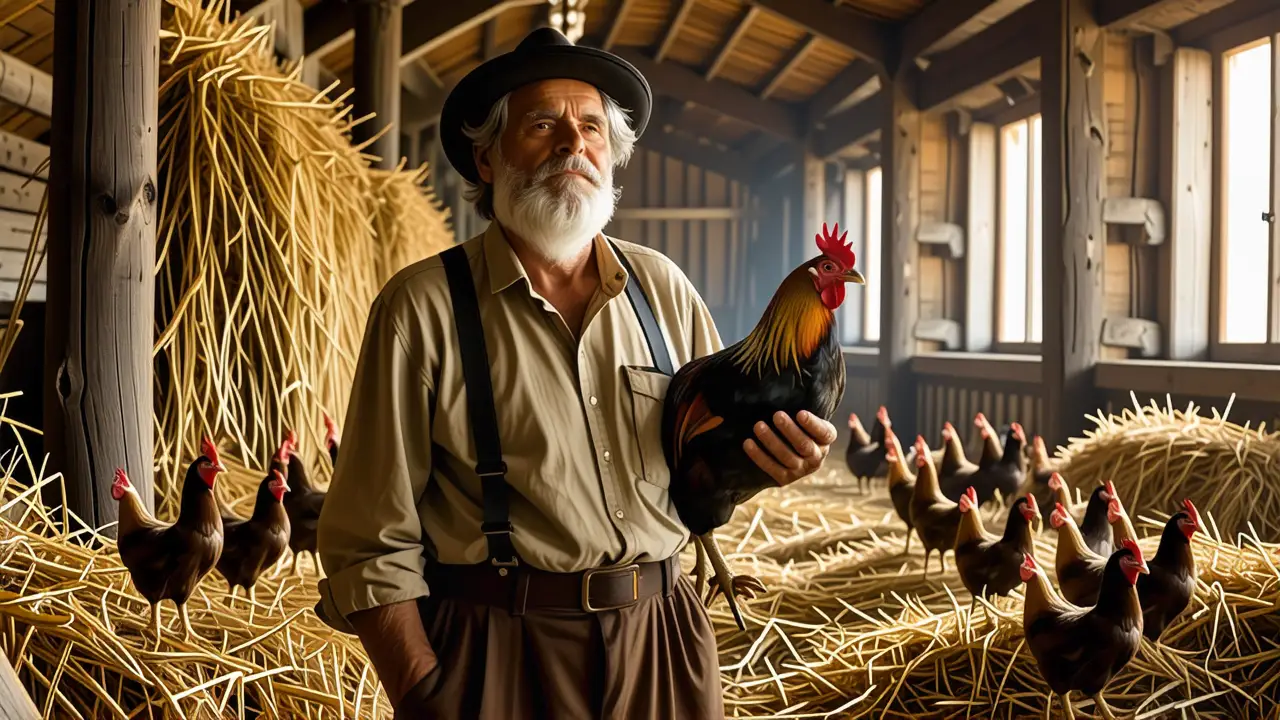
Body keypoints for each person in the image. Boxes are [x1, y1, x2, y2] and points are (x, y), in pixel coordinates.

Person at [315, 27, 838, 720]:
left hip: (663, 638)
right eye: (541, 125)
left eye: (591, 126)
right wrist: (424, 691)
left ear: (612, 157)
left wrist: (771, 464)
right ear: (486, 158)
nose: (572, 144)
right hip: (499, 645)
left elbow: (704, 470)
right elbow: (366, 542)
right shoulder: (422, 308)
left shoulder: (662, 288)